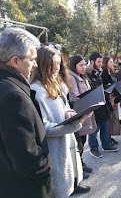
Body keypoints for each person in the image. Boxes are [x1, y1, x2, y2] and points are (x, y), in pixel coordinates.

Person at [0, 27, 54, 198]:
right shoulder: (13, 96)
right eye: (32, 59)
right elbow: (26, 157)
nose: (36, 65)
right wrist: (46, 172)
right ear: (15, 61)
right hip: (27, 189)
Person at [30, 46, 91, 197]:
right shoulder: (36, 91)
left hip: (66, 143)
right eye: (53, 64)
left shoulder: (55, 83)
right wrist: (76, 124)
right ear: (42, 64)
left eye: (58, 63)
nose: (57, 68)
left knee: (69, 178)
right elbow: (45, 129)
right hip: (55, 149)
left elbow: (64, 108)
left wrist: (69, 112)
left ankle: (74, 185)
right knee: (60, 188)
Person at [68, 54, 97, 178]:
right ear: (74, 66)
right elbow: (74, 96)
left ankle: (81, 163)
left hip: (87, 112)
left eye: (84, 64)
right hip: (79, 113)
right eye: (81, 65)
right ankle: (78, 168)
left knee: (83, 141)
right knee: (78, 143)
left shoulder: (83, 76)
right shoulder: (71, 77)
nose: (84, 67)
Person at [87, 52, 119, 158]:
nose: (101, 64)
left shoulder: (99, 73)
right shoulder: (88, 74)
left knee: (105, 126)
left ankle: (105, 145)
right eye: (99, 62)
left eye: (101, 61)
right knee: (94, 129)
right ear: (92, 62)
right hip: (95, 105)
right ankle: (94, 148)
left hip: (104, 103)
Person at [101, 56, 121, 145]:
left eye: (112, 62)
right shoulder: (103, 74)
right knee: (109, 119)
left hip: (115, 98)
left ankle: (110, 136)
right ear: (105, 63)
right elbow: (105, 88)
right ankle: (107, 139)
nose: (112, 64)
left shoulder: (112, 73)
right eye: (110, 62)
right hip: (108, 100)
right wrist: (110, 99)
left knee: (114, 118)